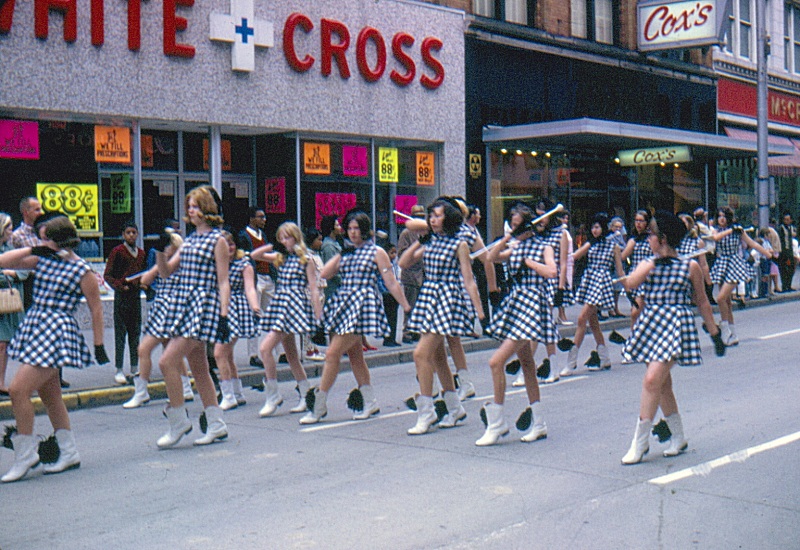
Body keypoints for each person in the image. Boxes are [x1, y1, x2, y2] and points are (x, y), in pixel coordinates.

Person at [0, 215, 110, 482]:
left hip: (56, 328)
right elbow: (3, 261)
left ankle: (26, 455)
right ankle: (69, 451)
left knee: (17, 389)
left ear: (60, 238)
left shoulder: (82, 270)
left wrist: (98, 344)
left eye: (46, 237)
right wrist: (35, 249)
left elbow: (96, 308)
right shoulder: (43, 259)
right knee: (50, 397)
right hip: (38, 322)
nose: (41, 241)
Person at [620, 211, 725, 464]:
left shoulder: (690, 266)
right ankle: (678, 438)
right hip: (651, 324)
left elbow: (702, 301)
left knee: (652, 379)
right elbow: (631, 284)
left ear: (663, 238)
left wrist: (715, 334)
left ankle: (640, 443)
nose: (648, 240)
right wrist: (649, 263)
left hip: (675, 326)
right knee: (662, 384)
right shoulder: (649, 263)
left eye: (652, 235)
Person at [301, 210, 410, 425]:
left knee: (332, 353)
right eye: (349, 229)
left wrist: (405, 305)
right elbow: (325, 273)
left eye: (356, 229)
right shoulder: (347, 252)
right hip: (344, 304)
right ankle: (369, 402)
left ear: (365, 230)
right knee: (355, 357)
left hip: (362, 305)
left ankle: (319, 405)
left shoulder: (377, 252)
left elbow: (390, 281)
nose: (352, 233)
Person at [154, 185, 230, 448]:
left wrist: (224, 315)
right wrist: (160, 251)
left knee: (167, 362)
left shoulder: (217, 240)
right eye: (189, 206)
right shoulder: (189, 241)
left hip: (202, 306)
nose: (191, 210)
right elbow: (166, 272)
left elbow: (223, 281)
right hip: (185, 304)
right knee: (199, 369)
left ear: (207, 208)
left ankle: (178, 421)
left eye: (196, 206)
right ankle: (217, 424)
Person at [401, 199, 484, 435]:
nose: (432, 219)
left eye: (437, 215)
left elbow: (469, 280)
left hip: (447, 298)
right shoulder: (430, 241)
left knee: (420, 353)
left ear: (448, 218)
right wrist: (420, 242)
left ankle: (426, 413)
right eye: (431, 216)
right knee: (437, 357)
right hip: (429, 295)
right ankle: (454, 408)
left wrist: (479, 312)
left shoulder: (460, 244)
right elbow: (404, 262)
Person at [476, 202, 556, 445]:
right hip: (516, 302)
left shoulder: (544, 246)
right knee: (528, 365)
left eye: (517, 222)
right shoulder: (515, 246)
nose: (514, 226)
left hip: (531, 304)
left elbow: (551, 271)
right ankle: (539, 423)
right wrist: (506, 238)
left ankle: (497, 423)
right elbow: (490, 257)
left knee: (496, 361)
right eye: (511, 222)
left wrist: (529, 263)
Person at [253, 222, 321, 417]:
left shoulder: (306, 259)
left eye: (287, 237)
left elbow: (313, 287)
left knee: (266, 348)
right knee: (291, 355)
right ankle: (306, 394)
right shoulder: (281, 257)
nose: (284, 241)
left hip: (293, 304)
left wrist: (318, 315)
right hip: (281, 303)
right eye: (281, 238)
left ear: (295, 237)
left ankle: (273, 395)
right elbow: (255, 255)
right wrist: (271, 247)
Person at [122, 229, 195, 409]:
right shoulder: (163, 262)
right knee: (165, 351)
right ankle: (183, 388)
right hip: (162, 310)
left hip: (174, 310)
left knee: (148, 349)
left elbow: (155, 277)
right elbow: (145, 281)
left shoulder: (183, 264)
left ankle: (143, 392)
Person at [560, 213, 625, 376]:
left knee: (582, 318)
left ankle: (571, 362)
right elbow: (573, 256)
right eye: (593, 227)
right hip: (590, 279)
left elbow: (619, 270)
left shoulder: (613, 246)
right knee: (593, 321)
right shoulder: (591, 243)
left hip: (601, 282)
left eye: (598, 227)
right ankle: (604, 358)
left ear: (603, 227)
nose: (594, 230)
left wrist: (628, 289)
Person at [709, 207, 770, 346]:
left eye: (724, 216)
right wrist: (731, 230)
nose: (722, 219)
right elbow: (715, 238)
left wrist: (767, 254)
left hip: (734, 263)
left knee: (720, 298)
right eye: (719, 216)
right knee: (727, 302)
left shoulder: (738, 230)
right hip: (721, 263)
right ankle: (733, 333)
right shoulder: (716, 229)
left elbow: (752, 243)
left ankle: (724, 331)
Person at [215, 230, 261, 410]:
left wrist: (255, 307)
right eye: (225, 246)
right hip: (221, 309)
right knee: (227, 355)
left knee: (220, 353)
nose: (229, 249)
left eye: (231, 244)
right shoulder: (218, 264)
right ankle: (238, 393)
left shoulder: (244, 265)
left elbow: (250, 288)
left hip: (237, 310)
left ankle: (228, 396)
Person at [104, 221, 146, 384]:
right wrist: (120, 286)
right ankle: (119, 369)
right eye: (128, 232)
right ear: (123, 234)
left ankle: (135, 367)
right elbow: (108, 275)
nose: (131, 235)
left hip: (135, 297)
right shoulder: (117, 252)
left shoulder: (141, 253)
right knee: (120, 335)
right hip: (122, 298)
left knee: (135, 334)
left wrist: (142, 284)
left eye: (134, 232)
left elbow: (143, 273)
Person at [238, 208, 275, 368]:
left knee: (274, 313)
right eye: (260, 217)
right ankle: (253, 354)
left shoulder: (263, 235)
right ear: (252, 219)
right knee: (255, 315)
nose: (264, 220)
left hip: (267, 276)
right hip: (255, 277)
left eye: (264, 217)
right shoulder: (243, 236)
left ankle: (279, 352)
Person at [0, 213, 26, 396]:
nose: (11, 231)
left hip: (8, 302)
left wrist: (14, 274)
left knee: (4, 344)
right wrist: (8, 274)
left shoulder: (11, 247)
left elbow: (25, 269)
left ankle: (0, 381)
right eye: (8, 227)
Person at [397, 205, 426, 344]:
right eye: (418, 217)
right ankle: (407, 332)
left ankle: (416, 330)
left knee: (420, 305)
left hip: (422, 274)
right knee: (410, 305)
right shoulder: (406, 233)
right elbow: (401, 254)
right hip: (410, 274)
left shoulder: (425, 233)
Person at [621, 210, 652, 326]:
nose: (638, 223)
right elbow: (623, 256)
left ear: (647, 223)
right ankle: (636, 337)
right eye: (636, 220)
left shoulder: (652, 239)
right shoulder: (633, 240)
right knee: (638, 312)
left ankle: (636, 339)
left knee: (636, 312)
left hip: (647, 277)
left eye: (641, 221)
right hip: (635, 277)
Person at [302, 227, 326, 361]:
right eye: (318, 240)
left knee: (315, 321)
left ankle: (311, 345)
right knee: (309, 320)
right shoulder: (307, 256)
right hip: (310, 292)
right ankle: (307, 348)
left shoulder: (317, 255)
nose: (320, 243)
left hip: (320, 290)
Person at [379, 242, 401, 347]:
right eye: (391, 253)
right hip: (388, 293)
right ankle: (387, 339)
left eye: (395, 253)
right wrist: (384, 291)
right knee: (389, 316)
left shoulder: (395, 264)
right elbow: (380, 280)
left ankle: (393, 338)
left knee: (394, 317)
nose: (394, 255)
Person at [319, 214, 343, 301]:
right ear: (331, 228)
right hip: (333, 288)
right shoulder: (328, 246)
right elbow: (332, 270)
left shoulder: (335, 243)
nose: (339, 227)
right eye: (337, 225)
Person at [778, 213, 797, 292]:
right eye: (785, 219)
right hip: (784, 251)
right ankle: (784, 286)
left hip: (790, 251)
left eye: (788, 219)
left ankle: (789, 285)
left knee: (791, 268)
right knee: (784, 269)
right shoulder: (781, 228)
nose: (787, 221)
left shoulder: (791, 228)